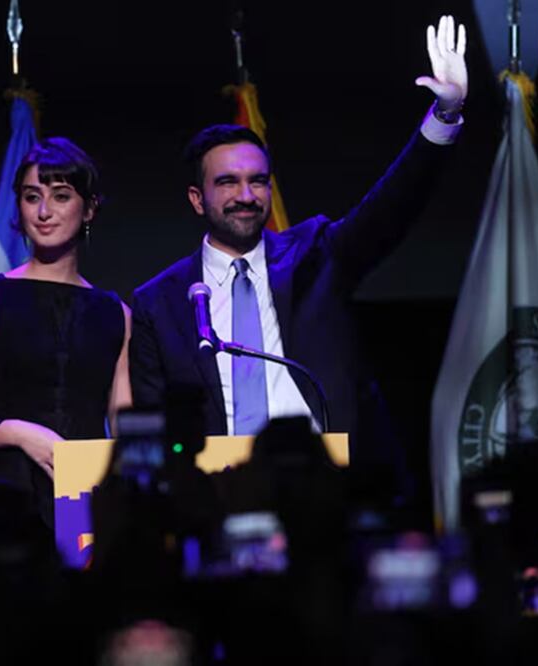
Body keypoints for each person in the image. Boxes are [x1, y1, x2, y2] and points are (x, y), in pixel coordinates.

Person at [129, 16, 468, 489]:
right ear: (196, 198)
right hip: (217, 497)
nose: (246, 195)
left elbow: (390, 210)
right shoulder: (157, 303)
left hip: (325, 487)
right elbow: (154, 422)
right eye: (227, 182)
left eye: (258, 181)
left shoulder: (316, 253)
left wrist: (445, 114)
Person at [0, 137, 132, 536]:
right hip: (4, 499)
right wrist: (18, 433)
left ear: (89, 209)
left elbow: (125, 425)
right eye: (32, 197)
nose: (45, 211)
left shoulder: (116, 313)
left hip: (88, 503)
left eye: (61, 196)